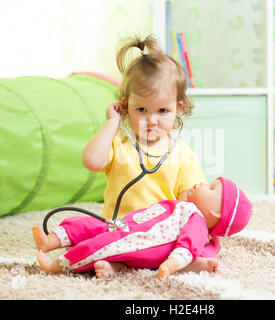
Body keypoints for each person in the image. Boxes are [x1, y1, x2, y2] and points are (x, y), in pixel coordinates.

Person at [80, 34, 220, 275]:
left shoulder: (183, 155)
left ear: (177, 109)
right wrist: (112, 123)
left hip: (160, 234)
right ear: (125, 106)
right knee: (91, 239)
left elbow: (192, 201)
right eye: (141, 109)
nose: (152, 120)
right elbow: (91, 161)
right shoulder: (119, 144)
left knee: (201, 240)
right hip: (122, 229)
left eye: (162, 110)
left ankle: (170, 261)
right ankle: (122, 262)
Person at [32, 177, 253, 280]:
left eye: (211, 188)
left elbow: (187, 247)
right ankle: (50, 240)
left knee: (101, 246)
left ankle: (57, 267)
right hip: (128, 226)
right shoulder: (184, 207)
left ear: (215, 213)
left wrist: (171, 264)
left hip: (139, 240)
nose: (203, 183)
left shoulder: (196, 220)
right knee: (93, 225)